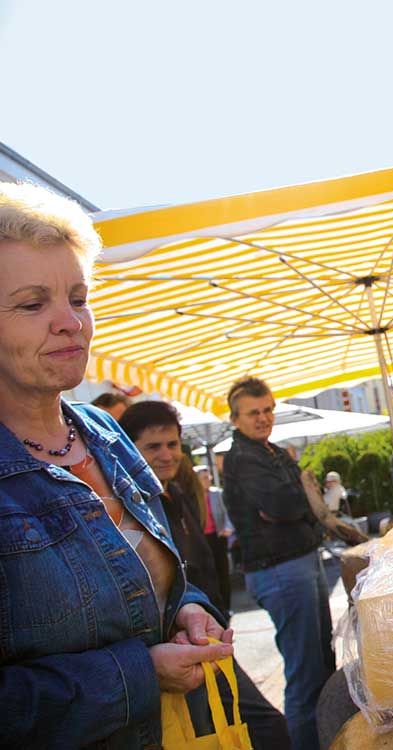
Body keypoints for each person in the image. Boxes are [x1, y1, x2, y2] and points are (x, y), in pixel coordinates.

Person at [0, 181, 234, 748]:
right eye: (34, 304)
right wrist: (138, 674)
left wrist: (189, 611)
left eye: (78, 299)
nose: (70, 322)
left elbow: (155, 578)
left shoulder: (103, 429)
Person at [119, 400, 291, 748]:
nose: (167, 455)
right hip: (178, 649)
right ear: (127, 448)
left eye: (172, 444)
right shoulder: (126, 510)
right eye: (153, 446)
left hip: (207, 636)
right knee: (263, 727)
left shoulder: (176, 494)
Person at [222, 376, 333, 750]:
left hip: (298, 561)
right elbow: (284, 504)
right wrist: (301, 501)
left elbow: (292, 502)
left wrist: (297, 501)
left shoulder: (271, 452)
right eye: (253, 412)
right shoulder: (244, 457)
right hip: (280, 570)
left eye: (268, 409)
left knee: (321, 664)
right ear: (235, 418)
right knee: (306, 676)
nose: (263, 418)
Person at [194, 464, 235, 612]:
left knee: (223, 572)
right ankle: (214, 608)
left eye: (208, 477)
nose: (208, 480)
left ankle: (227, 608)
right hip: (201, 540)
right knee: (208, 575)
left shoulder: (217, 493)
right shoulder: (192, 497)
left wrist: (228, 528)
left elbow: (228, 513)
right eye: (204, 478)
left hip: (218, 537)